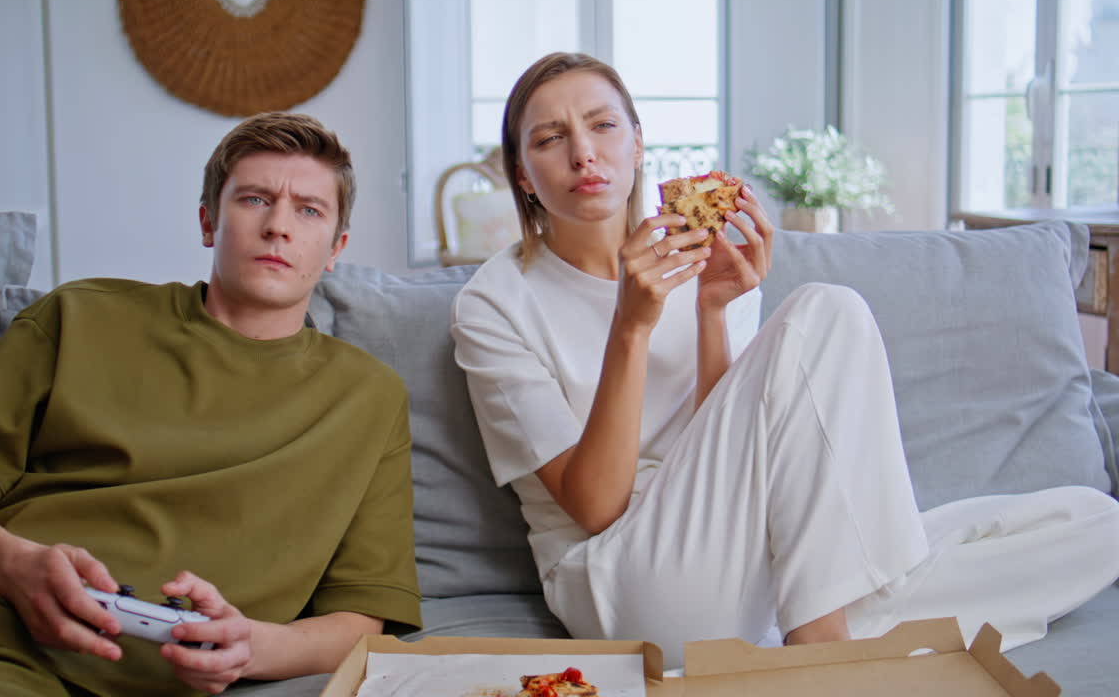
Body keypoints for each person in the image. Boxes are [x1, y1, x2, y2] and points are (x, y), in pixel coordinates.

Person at [450, 51, 1119, 666]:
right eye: (549, 139)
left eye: (602, 127)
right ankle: (822, 644)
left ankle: (811, 615)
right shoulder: (493, 305)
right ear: (523, 175)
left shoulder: (704, 258)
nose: (583, 153)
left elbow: (734, 450)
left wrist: (713, 313)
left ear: (637, 145)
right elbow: (596, 508)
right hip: (628, 582)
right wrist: (631, 327)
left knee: (1093, 523)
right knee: (828, 311)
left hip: (759, 562)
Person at [0, 112, 422, 695]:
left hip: (27, 670)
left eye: (309, 210)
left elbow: (360, 618)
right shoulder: (79, 317)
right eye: (254, 199)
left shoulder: (367, 399)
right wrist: (17, 565)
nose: (278, 227)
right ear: (208, 221)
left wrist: (252, 648)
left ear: (336, 247)